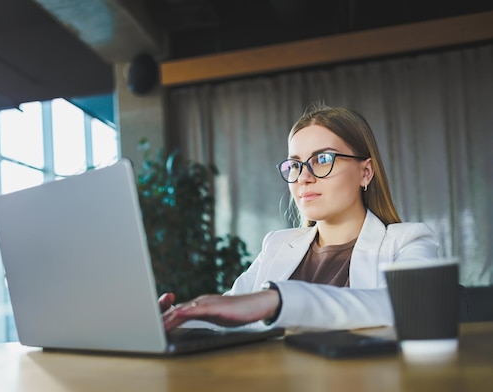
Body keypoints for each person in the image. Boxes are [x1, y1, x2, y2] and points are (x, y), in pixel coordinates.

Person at [160, 104, 440, 331]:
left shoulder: (407, 241)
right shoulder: (277, 244)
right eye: (295, 164)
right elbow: (226, 316)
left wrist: (277, 301)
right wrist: (177, 319)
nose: (303, 178)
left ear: (365, 172)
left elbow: (407, 306)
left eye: (323, 159)